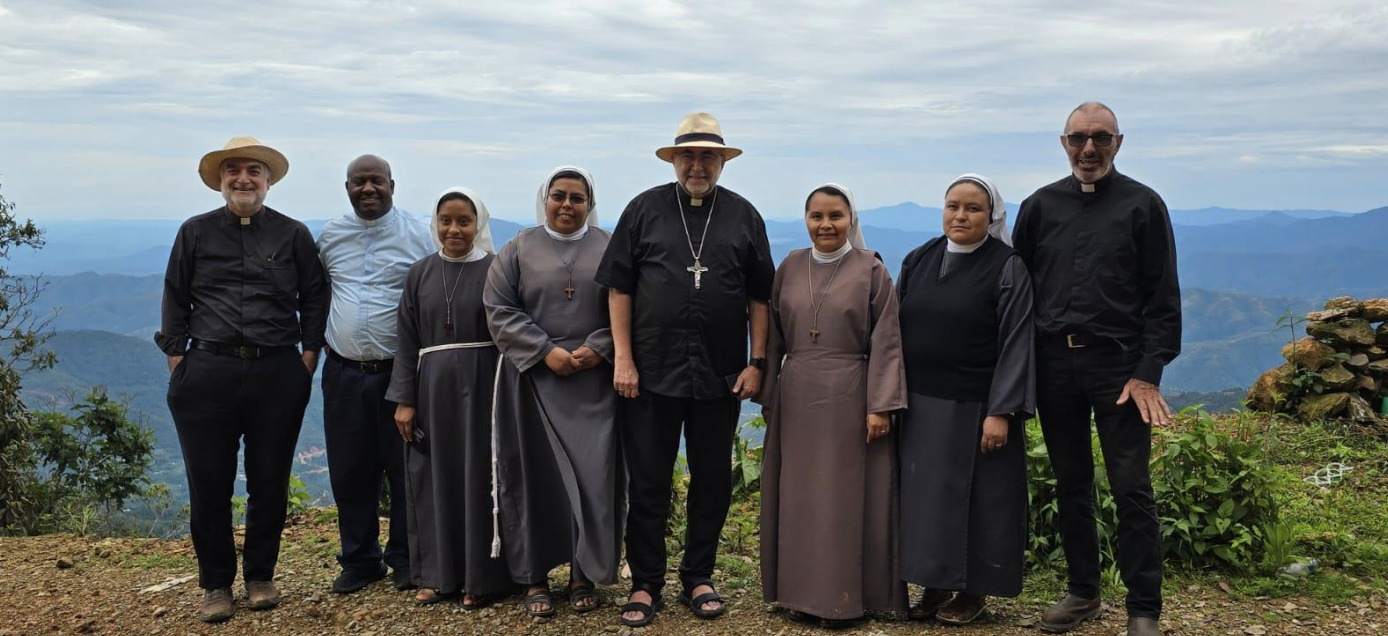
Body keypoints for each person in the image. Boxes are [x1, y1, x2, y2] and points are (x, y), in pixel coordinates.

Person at [596, 112, 775, 627]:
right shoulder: (644, 210)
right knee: (649, 480)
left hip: (720, 375)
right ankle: (646, 583)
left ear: (722, 162)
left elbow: (759, 296)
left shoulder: (744, 216)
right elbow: (619, 287)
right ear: (674, 160)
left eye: (709, 156)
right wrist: (624, 359)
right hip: (650, 373)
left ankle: (699, 574)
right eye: (689, 155)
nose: (698, 165)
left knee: (713, 478)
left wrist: (757, 362)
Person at [1012, 102, 1181, 636]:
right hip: (1054, 363)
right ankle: (1083, 592)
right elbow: (1017, 292)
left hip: (1120, 370)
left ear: (1119, 142)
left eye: (1101, 138)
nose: (1089, 149)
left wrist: (1148, 371)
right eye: (1079, 138)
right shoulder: (1039, 207)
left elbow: (1163, 296)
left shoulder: (1143, 205)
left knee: (1131, 486)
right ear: (1063, 143)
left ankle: (1143, 608)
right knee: (1071, 483)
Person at [156, 136, 328, 623]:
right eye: (234, 170)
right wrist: (178, 363)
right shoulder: (195, 232)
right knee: (208, 483)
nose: (244, 178)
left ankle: (260, 575)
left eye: (254, 170)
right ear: (221, 181)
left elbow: (315, 298)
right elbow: (175, 297)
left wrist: (307, 359)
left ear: (268, 180)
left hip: (278, 370)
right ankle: (215, 584)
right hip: (206, 370)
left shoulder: (293, 235)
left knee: (269, 479)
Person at [756, 183, 908, 625]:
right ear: (805, 220)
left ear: (850, 220)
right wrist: (769, 395)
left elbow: (888, 340)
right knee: (799, 496)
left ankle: (843, 599)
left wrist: (880, 405)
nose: (826, 225)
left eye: (835, 216)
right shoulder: (789, 265)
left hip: (852, 392)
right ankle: (798, 594)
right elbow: (776, 334)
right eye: (817, 216)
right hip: (798, 392)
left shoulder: (871, 269)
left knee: (842, 498)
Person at [896, 174, 1036, 625]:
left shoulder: (1007, 266)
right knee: (928, 498)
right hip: (921, 404)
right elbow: (895, 332)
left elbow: (1017, 342)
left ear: (992, 216)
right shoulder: (919, 260)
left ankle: (974, 591)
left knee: (981, 502)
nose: (960, 215)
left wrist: (1001, 412)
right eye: (953, 205)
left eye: (973, 208)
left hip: (978, 408)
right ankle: (935, 583)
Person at [484, 166, 623, 618]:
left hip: (592, 384)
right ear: (545, 199)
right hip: (532, 382)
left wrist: (597, 348)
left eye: (577, 198)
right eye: (558, 196)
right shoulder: (518, 248)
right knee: (534, 480)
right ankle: (534, 578)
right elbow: (499, 309)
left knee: (592, 481)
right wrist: (545, 351)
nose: (567, 205)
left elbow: (630, 307)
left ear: (589, 203)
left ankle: (583, 574)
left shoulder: (609, 247)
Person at [385, 187, 514, 608]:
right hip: (431, 391)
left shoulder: (496, 270)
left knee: (483, 479)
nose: (454, 229)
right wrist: (404, 399)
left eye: (463, 221)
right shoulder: (420, 272)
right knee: (432, 479)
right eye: (446, 221)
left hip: (485, 387)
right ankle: (436, 575)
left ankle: (482, 578)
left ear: (479, 224)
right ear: (435, 224)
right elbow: (406, 340)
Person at [316, 154, 435, 594]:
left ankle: (404, 556)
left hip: (399, 373)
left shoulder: (420, 233)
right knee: (349, 469)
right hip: (343, 371)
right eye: (358, 182)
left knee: (404, 467)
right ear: (347, 187)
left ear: (392, 184)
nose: (368, 189)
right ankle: (360, 559)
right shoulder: (330, 235)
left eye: (376, 181)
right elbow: (320, 290)